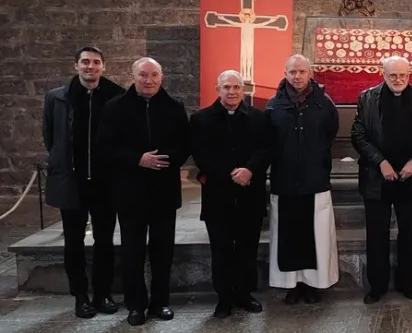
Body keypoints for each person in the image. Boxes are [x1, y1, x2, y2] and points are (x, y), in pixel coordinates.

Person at [97, 57, 190, 326]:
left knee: (163, 252)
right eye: (142, 75)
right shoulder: (114, 108)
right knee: (132, 252)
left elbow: (185, 146)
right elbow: (104, 148)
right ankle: (135, 305)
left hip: (164, 191)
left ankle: (160, 303)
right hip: (130, 192)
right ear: (133, 76)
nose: (148, 80)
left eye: (153, 75)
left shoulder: (174, 108)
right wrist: (137, 159)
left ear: (162, 77)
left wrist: (164, 159)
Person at [42, 46, 124, 318]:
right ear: (76, 65)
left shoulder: (117, 96)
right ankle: (80, 296)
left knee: (104, 241)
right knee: (73, 243)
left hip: (105, 183)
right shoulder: (58, 98)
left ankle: (102, 294)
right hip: (73, 182)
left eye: (96, 62)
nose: (91, 67)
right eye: (85, 62)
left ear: (103, 66)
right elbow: (51, 137)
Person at [351, 56, 412, 304]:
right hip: (376, 179)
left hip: (410, 178)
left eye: (403, 75)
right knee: (376, 235)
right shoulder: (367, 98)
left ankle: (405, 283)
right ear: (383, 74)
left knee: (408, 234)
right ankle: (377, 286)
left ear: (409, 75)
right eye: (393, 76)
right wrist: (381, 162)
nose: (399, 80)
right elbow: (358, 135)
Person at [189, 70, 270, 319]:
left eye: (236, 87)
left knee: (247, 248)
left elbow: (266, 148)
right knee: (221, 249)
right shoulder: (201, 119)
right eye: (226, 87)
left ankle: (244, 295)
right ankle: (223, 299)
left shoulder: (258, 117)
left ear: (243, 90)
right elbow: (200, 154)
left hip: (250, 194)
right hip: (218, 195)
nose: (232, 92)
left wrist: (250, 170)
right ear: (218, 89)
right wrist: (229, 172)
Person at [265, 54, 340, 304]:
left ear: (310, 73)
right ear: (285, 73)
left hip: (313, 179)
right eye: (292, 72)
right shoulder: (274, 104)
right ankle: (291, 284)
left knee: (315, 235)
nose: (297, 77)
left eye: (301, 72)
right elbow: (269, 140)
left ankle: (313, 284)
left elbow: (330, 133)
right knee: (288, 235)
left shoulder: (324, 103)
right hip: (284, 180)